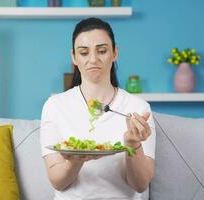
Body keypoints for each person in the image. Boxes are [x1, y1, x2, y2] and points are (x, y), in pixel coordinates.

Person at [40, 17, 156, 200]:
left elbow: (140, 185)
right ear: (74, 57)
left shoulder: (138, 107)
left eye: (102, 51)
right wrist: (75, 161)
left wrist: (133, 145)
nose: (93, 59)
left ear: (114, 53)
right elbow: (57, 182)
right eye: (84, 52)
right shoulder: (54, 106)